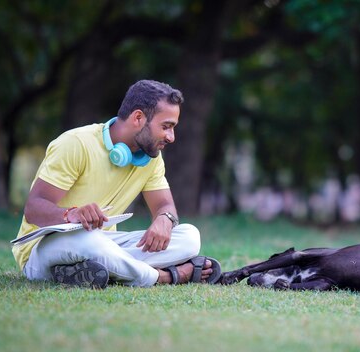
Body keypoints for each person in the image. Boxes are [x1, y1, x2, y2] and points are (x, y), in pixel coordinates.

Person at [12, 79, 221, 289]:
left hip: (103, 244)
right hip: (44, 249)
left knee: (189, 237)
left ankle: (93, 270)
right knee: (89, 241)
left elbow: (164, 206)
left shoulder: (151, 158)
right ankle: (164, 277)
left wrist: (165, 220)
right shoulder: (75, 144)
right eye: (166, 127)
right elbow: (34, 209)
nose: (171, 137)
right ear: (138, 117)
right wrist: (71, 215)